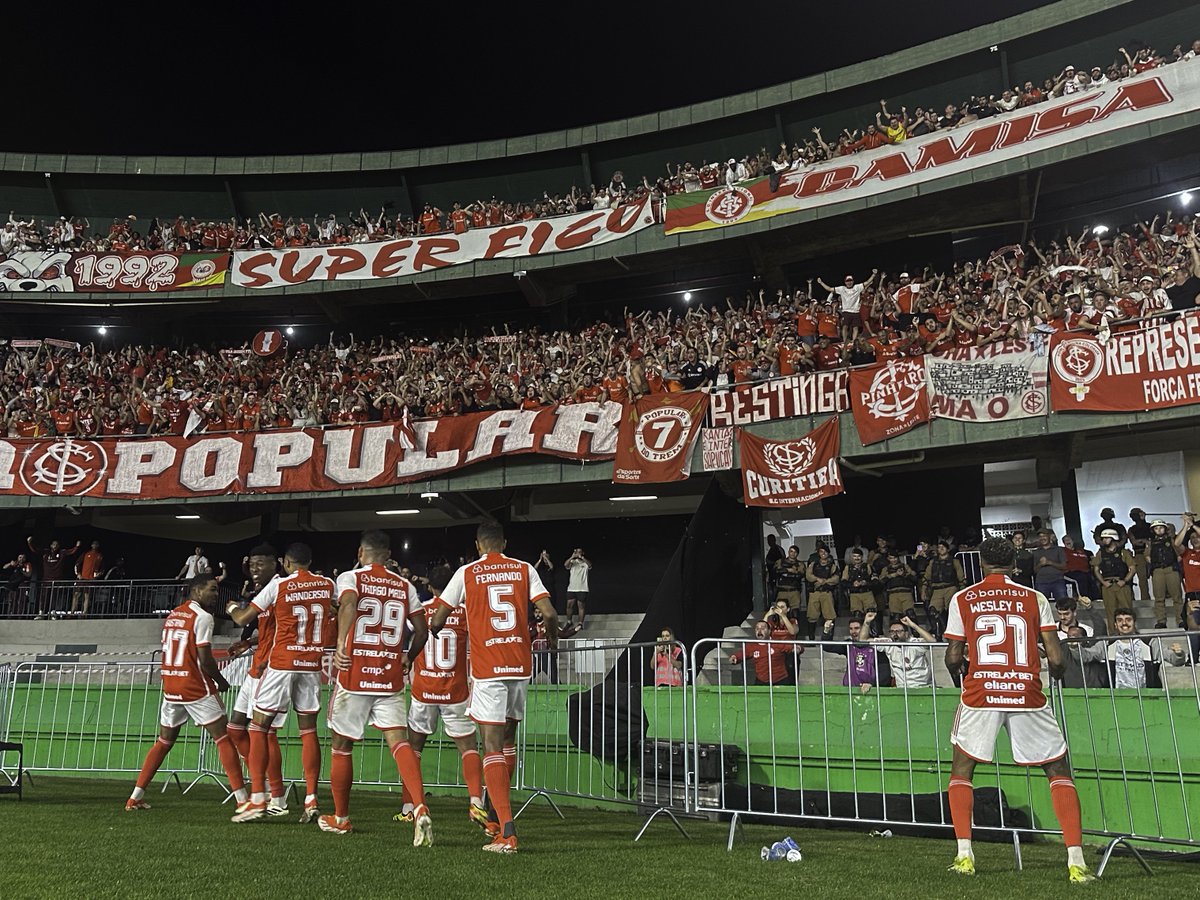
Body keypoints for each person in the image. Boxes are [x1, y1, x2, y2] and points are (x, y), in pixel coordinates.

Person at [942, 536, 1096, 883]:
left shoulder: (962, 598)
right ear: (1015, 564)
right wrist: (1053, 673)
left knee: (962, 769)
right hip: (1025, 690)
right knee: (1058, 769)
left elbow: (953, 656)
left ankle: (964, 855)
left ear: (981, 564)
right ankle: (1076, 861)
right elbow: (1056, 658)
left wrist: (962, 674)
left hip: (982, 691)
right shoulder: (1034, 598)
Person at [431, 521, 557, 854]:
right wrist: (553, 642)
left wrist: (436, 629)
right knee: (508, 739)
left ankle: (506, 829)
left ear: (478, 545)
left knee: (490, 744)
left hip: (489, 668)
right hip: (520, 664)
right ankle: (495, 812)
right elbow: (549, 612)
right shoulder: (524, 568)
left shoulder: (467, 572)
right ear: (504, 543)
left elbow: (439, 620)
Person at [322, 530, 432, 845]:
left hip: (355, 671)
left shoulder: (351, 578)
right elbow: (422, 630)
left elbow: (349, 603)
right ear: (388, 555)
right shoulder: (404, 585)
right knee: (399, 742)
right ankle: (419, 806)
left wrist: (343, 642)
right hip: (388, 672)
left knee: (342, 745)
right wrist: (409, 658)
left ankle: (341, 818)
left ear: (361, 552)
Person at [227, 543, 333, 824]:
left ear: (285, 562)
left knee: (258, 727)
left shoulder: (280, 586)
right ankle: (311, 798)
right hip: (311, 665)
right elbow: (338, 607)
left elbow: (242, 618)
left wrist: (232, 606)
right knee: (308, 731)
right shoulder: (327, 584)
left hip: (281, 662)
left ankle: (260, 797)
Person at [126, 575, 248, 812]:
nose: (215, 594)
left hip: (171, 685)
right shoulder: (203, 617)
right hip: (194, 686)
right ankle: (243, 800)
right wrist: (221, 681)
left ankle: (135, 796)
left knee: (164, 741)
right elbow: (205, 658)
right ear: (196, 590)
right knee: (223, 738)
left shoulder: (174, 614)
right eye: (212, 590)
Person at [397, 564, 487, 830]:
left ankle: (409, 806)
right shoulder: (465, 613)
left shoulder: (422, 611)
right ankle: (476, 804)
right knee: (468, 747)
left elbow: (408, 638)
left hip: (424, 689)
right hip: (455, 690)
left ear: (429, 586)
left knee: (413, 748)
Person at [225, 544, 290, 817]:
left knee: (265, 732)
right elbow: (269, 630)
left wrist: (230, 608)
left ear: (276, 564)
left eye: (260, 564)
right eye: (252, 565)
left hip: (270, 670)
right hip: (257, 665)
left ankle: (276, 798)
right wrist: (249, 643)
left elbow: (289, 631)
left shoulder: (281, 589)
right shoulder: (263, 593)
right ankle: (261, 782)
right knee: (235, 728)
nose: (255, 569)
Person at [1104, 607, 1188, 688]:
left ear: (1135, 623)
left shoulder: (1149, 642)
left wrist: (1178, 654)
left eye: (1128, 620)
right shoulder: (1107, 643)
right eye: (1120, 620)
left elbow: (1175, 660)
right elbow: (1091, 653)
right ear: (1115, 624)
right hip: (1116, 697)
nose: (1124, 623)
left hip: (1147, 696)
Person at [824, 617, 891, 693]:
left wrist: (872, 685)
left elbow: (884, 673)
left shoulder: (876, 646)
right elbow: (827, 647)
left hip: (872, 691)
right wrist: (826, 631)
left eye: (856, 628)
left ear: (865, 629)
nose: (853, 632)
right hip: (850, 690)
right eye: (851, 629)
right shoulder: (849, 645)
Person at [870, 611, 935, 687]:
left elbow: (932, 641)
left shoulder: (914, 642)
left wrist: (913, 625)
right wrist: (866, 623)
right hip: (902, 689)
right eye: (892, 631)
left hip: (923, 687)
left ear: (907, 634)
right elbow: (862, 640)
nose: (895, 634)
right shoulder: (888, 643)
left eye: (899, 631)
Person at [1092, 529, 1135, 633]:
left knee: (1127, 610)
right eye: (1103, 538)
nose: (1104, 540)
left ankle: (1131, 632)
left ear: (1113, 538)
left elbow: (1132, 568)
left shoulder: (1123, 553)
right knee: (1110, 612)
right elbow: (1096, 569)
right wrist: (1103, 582)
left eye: (1106, 538)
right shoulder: (1101, 553)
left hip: (1121, 584)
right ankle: (1112, 635)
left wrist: (1124, 581)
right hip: (1108, 585)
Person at [729, 621, 794, 686]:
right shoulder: (752, 646)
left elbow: (793, 647)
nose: (759, 631)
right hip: (761, 680)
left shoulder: (777, 643)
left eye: (763, 628)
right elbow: (742, 654)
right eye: (757, 629)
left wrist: (798, 649)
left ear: (769, 631)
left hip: (780, 679)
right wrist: (735, 657)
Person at [923, 539, 964, 637]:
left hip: (951, 587)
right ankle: (938, 634)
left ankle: (952, 632)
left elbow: (961, 577)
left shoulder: (954, 561)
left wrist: (962, 588)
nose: (940, 549)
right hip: (936, 589)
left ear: (947, 549)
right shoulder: (933, 562)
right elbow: (926, 577)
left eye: (943, 547)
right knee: (933, 611)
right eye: (939, 547)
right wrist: (924, 589)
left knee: (951, 610)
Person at [1145, 519, 1181, 629]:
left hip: (1171, 569)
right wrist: (1156, 563)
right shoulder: (1150, 542)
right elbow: (1147, 556)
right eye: (1156, 528)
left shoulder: (1172, 540)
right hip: (1158, 570)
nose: (1159, 530)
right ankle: (1161, 621)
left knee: (1177, 597)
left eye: (1161, 527)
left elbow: (1179, 555)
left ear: (1165, 529)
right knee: (1159, 597)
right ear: (1153, 530)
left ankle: (1180, 619)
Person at [805, 546, 839, 639]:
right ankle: (811, 638)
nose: (823, 553)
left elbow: (836, 579)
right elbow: (808, 576)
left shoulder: (832, 566)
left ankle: (829, 638)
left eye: (825, 552)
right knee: (812, 616)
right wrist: (817, 579)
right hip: (815, 593)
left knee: (829, 616)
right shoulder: (814, 564)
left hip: (826, 592)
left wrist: (824, 581)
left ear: (828, 553)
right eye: (821, 551)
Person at [1032, 529, 1068, 600]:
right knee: (1041, 606)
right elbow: (1035, 570)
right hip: (1041, 582)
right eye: (1040, 536)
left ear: (1049, 537)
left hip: (1058, 580)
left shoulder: (1058, 550)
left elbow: (1064, 566)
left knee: (1063, 603)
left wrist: (1049, 562)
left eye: (1044, 536)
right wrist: (1040, 564)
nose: (1042, 538)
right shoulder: (1036, 552)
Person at [70, 540, 104, 616]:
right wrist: (78, 574)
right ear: (91, 545)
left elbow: (102, 569)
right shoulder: (86, 553)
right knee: (76, 594)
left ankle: (84, 613)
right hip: (82, 578)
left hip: (91, 579)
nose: (95, 546)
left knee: (87, 596)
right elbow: (77, 564)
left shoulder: (100, 556)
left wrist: (98, 574)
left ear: (98, 546)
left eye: (96, 544)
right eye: (93, 544)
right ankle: (72, 613)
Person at [1127, 508, 1153, 606]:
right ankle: (1145, 599)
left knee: (1157, 575)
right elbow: (1134, 542)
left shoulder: (1150, 527)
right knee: (1142, 578)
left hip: (1152, 553)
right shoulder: (1132, 529)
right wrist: (1146, 541)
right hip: (1139, 554)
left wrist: (1144, 541)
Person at [842, 549, 875, 622]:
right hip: (854, 594)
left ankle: (874, 633)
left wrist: (866, 583)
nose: (856, 558)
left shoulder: (867, 566)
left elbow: (875, 580)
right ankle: (858, 632)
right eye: (854, 556)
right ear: (851, 557)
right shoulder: (848, 567)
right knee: (857, 614)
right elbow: (843, 582)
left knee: (871, 613)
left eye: (858, 556)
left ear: (862, 557)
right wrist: (852, 584)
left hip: (867, 592)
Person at [563, 547, 592, 632]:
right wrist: (572, 556)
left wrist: (582, 558)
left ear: (582, 553)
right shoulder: (572, 562)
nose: (577, 553)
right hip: (572, 588)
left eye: (579, 552)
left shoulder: (585, 563)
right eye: (576, 552)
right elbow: (565, 565)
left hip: (582, 588)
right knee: (569, 605)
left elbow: (590, 565)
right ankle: (569, 621)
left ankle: (580, 623)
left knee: (581, 606)